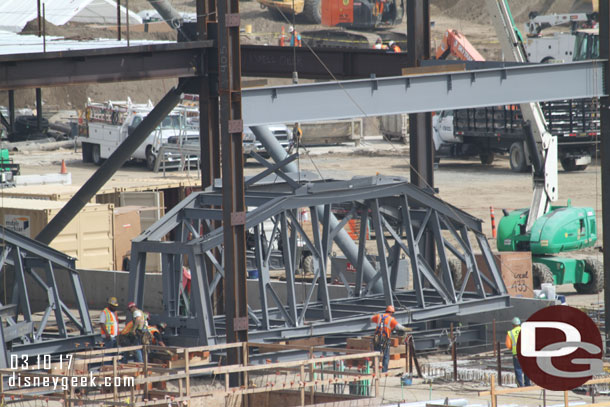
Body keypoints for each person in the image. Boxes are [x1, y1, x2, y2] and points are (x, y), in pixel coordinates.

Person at [371, 305, 408, 372]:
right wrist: (407, 329)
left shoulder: (379, 316)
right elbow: (399, 327)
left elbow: (371, 319)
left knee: (376, 355)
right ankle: (384, 371)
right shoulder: (391, 319)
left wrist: (375, 316)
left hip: (377, 338)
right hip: (385, 339)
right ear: (391, 312)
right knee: (386, 356)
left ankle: (375, 371)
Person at [506, 317, 531, 387]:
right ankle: (528, 384)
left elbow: (508, 345)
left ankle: (520, 385)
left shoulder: (510, 333)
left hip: (516, 354)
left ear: (513, 325)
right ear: (520, 324)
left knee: (518, 369)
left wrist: (512, 348)